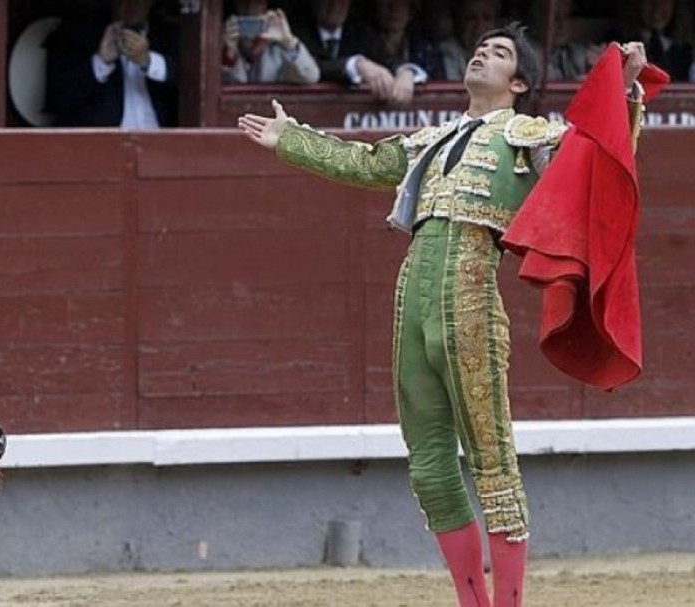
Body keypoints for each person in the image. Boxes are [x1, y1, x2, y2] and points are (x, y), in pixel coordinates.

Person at [238, 23, 649, 607]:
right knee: (428, 463)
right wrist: (289, 139)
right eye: (482, 46)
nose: (483, 53)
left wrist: (626, 92)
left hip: (472, 294)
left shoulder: (531, 135)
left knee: (491, 457)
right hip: (413, 298)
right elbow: (363, 162)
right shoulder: (428, 140)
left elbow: (600, 151)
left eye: (500, 52)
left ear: (520, 82)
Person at [44, 0, 178, 128]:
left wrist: (149, 61)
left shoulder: (171, 35)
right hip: (103, 145)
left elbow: (192, 84)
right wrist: (101, 62)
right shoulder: (77, 33)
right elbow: (60, 98)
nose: (129, 3)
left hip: (162, 143)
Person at [221, 0, 319, 84]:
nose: (250, 9)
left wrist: (289, 42)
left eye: (257, 3)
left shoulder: (279, 49)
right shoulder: (224, 41)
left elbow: (311, 76)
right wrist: (228, 54)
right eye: (244, 2)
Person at [438, 0, 500, 80]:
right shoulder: (447, 51)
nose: (479, 26)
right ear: (460, 22)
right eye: (471, 18)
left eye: (487, 18)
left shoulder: (508, 53)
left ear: (497, 23)